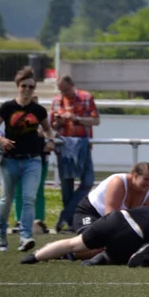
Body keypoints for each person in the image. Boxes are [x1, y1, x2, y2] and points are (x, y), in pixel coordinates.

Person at [0, 67, 55, 252]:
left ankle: (25, 236)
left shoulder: (38, 110)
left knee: (29, 198)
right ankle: (2, 232)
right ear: (18, 86)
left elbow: (47, 129)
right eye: (24, 86)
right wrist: (1, 139)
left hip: (33, 160)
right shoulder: (8, 107)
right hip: (10, 160)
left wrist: (50, 141)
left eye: (30, 86)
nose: (27, 89)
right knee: (7, 198)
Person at [21, 206, 149, 268]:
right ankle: (105, 258)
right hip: (137, 235)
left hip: (116, 218)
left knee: (73, 243)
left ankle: (34, 257)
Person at [51, 75, 99, 232]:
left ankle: (65, 216)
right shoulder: (57, 100)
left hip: (83, 146)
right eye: (61, 91)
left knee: (87, 181)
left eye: (66, 89)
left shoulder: (86, 97)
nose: (64, 93)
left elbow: (95, 120)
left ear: (72, 85)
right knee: (66, 186)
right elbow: (52, 125)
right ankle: (71, 222)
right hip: (64, 147)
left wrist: (76, 118)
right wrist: (60, 121)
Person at [11, 91, 51, 236]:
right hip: (18, 158)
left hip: (39, 158)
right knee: (19, 191)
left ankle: (39, 219)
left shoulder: (42, 116)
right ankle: (19, 220)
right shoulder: (13, 115)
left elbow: (48, 132)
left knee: (38, 190)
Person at [73, 162, 149, 233]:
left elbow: (144, 224)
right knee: (93, 244)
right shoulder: (118, 182)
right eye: (146, 179)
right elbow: (110, 217)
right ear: (135, 176)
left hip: (113, 222)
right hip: (91, 213)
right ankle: (69, 251)